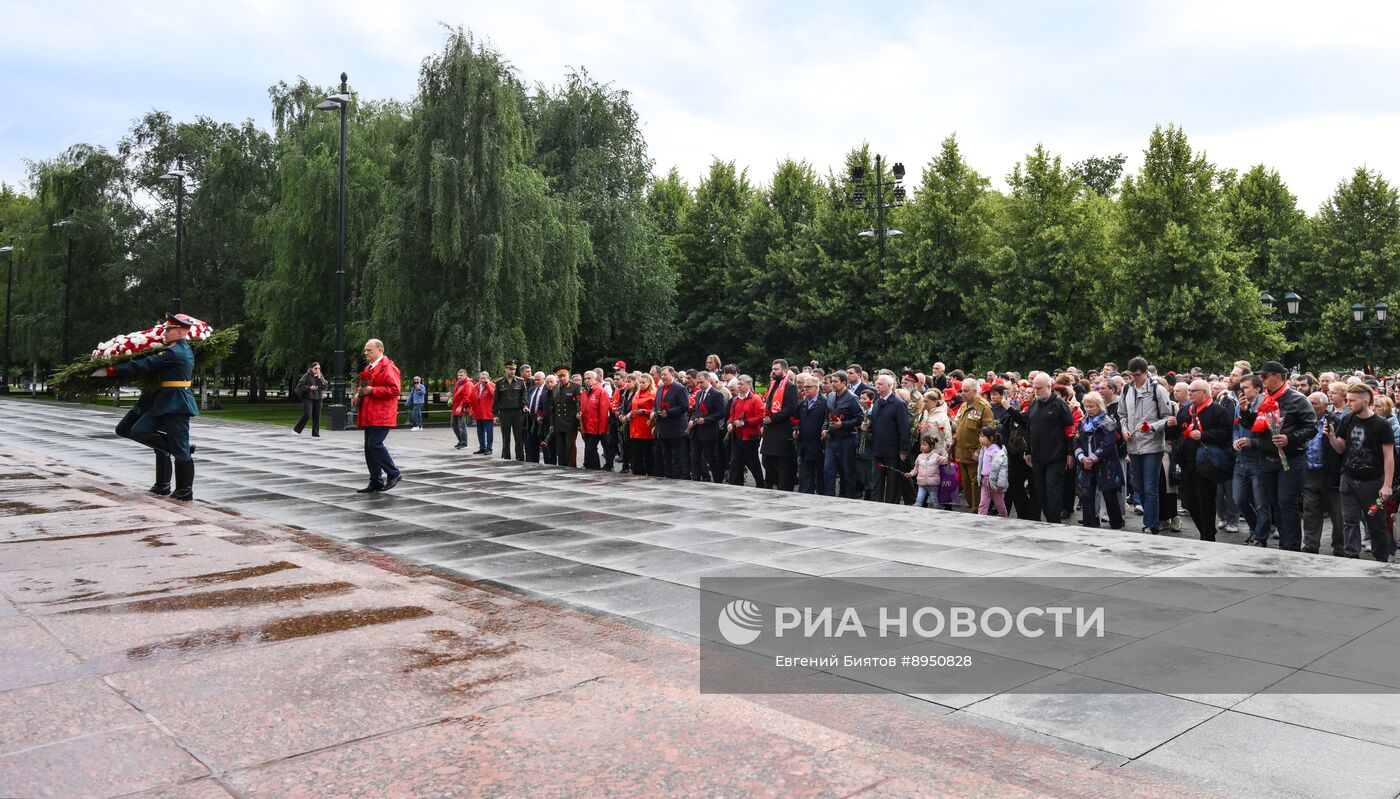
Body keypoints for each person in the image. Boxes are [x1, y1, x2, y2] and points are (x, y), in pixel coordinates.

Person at [101, 313, 201, 501]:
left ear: (179, 332)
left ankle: (184, 491)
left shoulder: (175, 352)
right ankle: (173, 467)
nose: (164, 332)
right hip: (162, 400)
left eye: (168, 330)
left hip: (176, 402)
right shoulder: (173, 348)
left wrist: (114, 370)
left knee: (152, 436)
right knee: (136, 430)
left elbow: (146, 364)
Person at [1238, 361, 1316, 550]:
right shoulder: (1261, 398)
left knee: (1286, 502)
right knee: (1274, 503)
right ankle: (1284, 544)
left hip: (1291, 458)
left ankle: (1291, 547)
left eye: (1264, 376)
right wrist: (1245, 413)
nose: (1261, 380)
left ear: (1278, 377)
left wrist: (1290, 438)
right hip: (1266, 458)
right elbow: (1253, 426)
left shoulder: (1297, 399)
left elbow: (1311, 427)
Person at [1326, 383, 1394, 560]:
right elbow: (1340, 449)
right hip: (1348, 478)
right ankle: (1351, 557)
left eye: (1352, 401)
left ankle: (1381, 560)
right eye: (1347, 400)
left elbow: (1389, 456)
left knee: (1375, 522)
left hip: (1372, 482)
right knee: (1349, 521)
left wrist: (1387, 485)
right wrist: (1332, 436)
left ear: (1365, 401)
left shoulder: (1381, 424)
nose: (1348, 403)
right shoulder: (1347, 420)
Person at [1171, 379, 1233, 542]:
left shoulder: (1217, 410)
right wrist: (1170, 426)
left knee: (1206, 501)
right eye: (1189, 390)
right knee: (1188, 501)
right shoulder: (1185, 411)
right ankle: (1205, 529)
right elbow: (1175, 434)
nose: (1190, 393)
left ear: (1204, 393)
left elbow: (1226, 434)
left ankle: (1207, 536)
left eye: (1193, 391)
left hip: (1206, 463)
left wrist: (1204, 435)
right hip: (1187, 462)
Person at [1120, 356, 1174, 534]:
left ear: (1145, 373)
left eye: (1137, 375)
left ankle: (1151, 525)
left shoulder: (1158, 390)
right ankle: (1149, 521)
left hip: (1152, 444)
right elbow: (1122, 414)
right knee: (1140, 486)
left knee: (1150, 487)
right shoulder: (1127, 389)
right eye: (1131, 375)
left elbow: (1168, 417)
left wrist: (1152, 427)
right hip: (1133, 444)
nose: (1134, 378)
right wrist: (1124, 429)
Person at [353, 338, 402, 493]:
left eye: (370, 350)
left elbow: (395, 390)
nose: (366, 352)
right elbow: (365, 387)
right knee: (369, 448)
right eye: (365, 350)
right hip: (370, 413)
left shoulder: (388, 367)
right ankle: (375, 481)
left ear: (380, 350)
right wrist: (358, 394)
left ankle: (394, 473)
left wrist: (372, 390)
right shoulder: (370, 367)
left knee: (374, 444)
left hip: (382, 414)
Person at [1025, 373, 1074, 524]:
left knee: (1053, 490)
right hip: (1038, 457)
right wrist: (1028, 451)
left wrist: (1070, 453)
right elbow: (1029, 429)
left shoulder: (1060, 405)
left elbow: (1070, 430)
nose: (1036, 391)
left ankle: (1054, 521)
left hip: (1056, 456)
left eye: (1039, 388)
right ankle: (1049, 519)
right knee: (1041, 491)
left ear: (1049, 387)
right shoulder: (1034, 404)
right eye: (1034, 388)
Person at [1302, 390, 1344, 556]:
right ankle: (1311, 545)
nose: (1310, 407)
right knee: (1311, 511)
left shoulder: (1336, 421)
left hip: (1330, 473)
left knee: (1338, 513)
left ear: (1326, 406)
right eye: (1308, 403)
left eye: (1314, 404)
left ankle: (1340, 547)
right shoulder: (1304, 421)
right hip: (1309, 472)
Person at [1074, 392, 1124, 529]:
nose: (1088, 409)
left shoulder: (1108, 422)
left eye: (1091, 406)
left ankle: (1117, 524)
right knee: (1087, 496)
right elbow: (1076, 442)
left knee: (1109, 495)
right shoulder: (1083, 422)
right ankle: (1089, 524)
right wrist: (1082, 458)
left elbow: (1109, 444)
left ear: (1099, 406)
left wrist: (1093, 458)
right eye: (1086, 406)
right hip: (1086, 464)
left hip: (1105, 464)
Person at [867, 374, 910, 504]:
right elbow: (875, 422)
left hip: (892, 450)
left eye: (880, 384)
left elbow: (904, 428)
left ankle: (892, 505)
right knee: (876, 480)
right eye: (876, 384)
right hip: (878, 448)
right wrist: (868, 426)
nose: (876, 386)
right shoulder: (877, 401)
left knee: (893, 482)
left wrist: (903, 450)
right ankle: (876, 504)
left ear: (889, 386)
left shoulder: (898, 404)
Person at [953, 378, 993, 512]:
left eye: (966, 391)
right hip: (961, 453)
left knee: (976, 484)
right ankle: (972, 507)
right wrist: (952, 443)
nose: (962, 393)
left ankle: (977, 510)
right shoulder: (964, 405)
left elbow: (988, 432)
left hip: (974, 454)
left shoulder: (984, 407)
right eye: (962, 391)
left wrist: (979, 451)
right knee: (966, 485)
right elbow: (960, 428)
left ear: (975, 391)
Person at [760, 359, 800, 491]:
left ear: (784, 371)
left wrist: (773, 418)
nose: (773, 371)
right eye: (772, 369)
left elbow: (791, 408)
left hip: (782, 431)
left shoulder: (790, 387)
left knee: (783, 465)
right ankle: (776, 484)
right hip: (770, 431)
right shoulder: (772, 385)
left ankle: (785, 490)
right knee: (766, 461)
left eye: (776, 369)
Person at [822, 372, 862, 498]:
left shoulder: (852, 398)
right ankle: (829, 497)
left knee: (847, 472)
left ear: (844, 383)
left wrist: (843, 424)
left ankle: (849, 498)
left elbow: (860, 418)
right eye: (832, 381)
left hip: (847, 439)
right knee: (828, 469)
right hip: (832, 439)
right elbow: (827, 416)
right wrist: (824, 428)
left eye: (836, 382)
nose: (833, 384)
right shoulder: (831, 396)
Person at [726, 375, 766, 486]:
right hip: (737, 436)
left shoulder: (755, 399)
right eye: (738, 384)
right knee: (735, 462)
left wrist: (744, 422)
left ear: (748, 384)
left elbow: (760, 417)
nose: (738, 386)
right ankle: (736, 484)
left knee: (752, 462)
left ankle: (760, 484)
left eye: (741, 384)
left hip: (750, 437)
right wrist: (729, 424)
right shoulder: (735, 400)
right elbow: (731, 416)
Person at [688, 371, 727, 482]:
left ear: (708, 379)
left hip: (709, 432)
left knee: (711, 458)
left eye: (702, 382)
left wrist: (705, 420)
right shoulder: (699, 393)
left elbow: (721, 413)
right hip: (696, 431)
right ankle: (696, 479)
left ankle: (717, 480)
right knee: (695, 458)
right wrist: (692, 420)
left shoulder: (716, 394)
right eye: (698, 382)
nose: (700, 384)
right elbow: (696, 411)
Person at [653, 366, 691, 479]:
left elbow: (685, 406)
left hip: (676, 429)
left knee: (677, 458)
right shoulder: (660, 389)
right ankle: (669, 477)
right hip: (663, 429)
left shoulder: (679, 388)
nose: (663, 377)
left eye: (665, 374)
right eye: (662, 375)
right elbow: (656, 405)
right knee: (666, 457)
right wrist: (653, 411)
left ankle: (678, 478)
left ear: (672, 375)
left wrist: (668, 412)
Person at [794, 373, 828, 493]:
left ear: (817, 387)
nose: (805, 389)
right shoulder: (803, 403)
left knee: (820, 476)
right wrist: (796, 429)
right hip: (804, 444)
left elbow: (826, 421)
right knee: (805, 475)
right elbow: (797, 420)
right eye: (805, 387)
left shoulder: (824, 402)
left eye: (809, 387)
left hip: (818, 445)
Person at [493, 361, 527, 460]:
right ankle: (506, 457)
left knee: (519, 437)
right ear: (505, 369)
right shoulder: (499, 382)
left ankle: (520, 458)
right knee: (505, 437)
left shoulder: (520, 381)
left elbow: (524, 396)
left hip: (517, 412)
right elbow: (496, 399)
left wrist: (525, 405)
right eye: (510, 369)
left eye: (514, 369)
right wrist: (495, 414)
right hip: (504, 413)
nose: (512, 371)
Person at [579, 369, 611, 469]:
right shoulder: (584, 392)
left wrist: (602, 429)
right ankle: (589, 466)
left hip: (596, 426)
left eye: (589, 378)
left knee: (591, 448)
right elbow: (583, 408)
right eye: (585, 379)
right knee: (588, 448)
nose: (586, 380)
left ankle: (596, 468)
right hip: (586, 426)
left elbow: (604, 412)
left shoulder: (601, 392)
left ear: (595, 379)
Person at [551, 366, 581, 468]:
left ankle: (571, 467)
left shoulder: (575, 387)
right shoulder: (555, 388)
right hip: (558, 422)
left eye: (564, 376)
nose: (562, 378)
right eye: (559, 376)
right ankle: (562, 467)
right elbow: (553, 408)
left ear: (568, 375)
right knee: (560, 448)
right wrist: (552, 424)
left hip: (570, 422)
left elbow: (579, 406)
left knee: (570, 448)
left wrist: (579, 424)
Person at [627, 372, 656, 476]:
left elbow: (655, 410)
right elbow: (634, 408)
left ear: (649, 383)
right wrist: (630, 414)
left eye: (644, 382)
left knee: (647, 453)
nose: (641, 384)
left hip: (646, 427)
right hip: (634, 426)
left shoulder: (653, 394)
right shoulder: (637, 394)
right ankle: (638, 472)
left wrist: (645, 411)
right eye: (640, 382)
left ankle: (650, 472)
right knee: (636, 453)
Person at [977, 426, 1009, 516]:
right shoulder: (984, 449)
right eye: (980, 436)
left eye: (982, 436)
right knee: (983, 503)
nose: (980, 439)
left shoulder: (997, 452)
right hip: (985, 481)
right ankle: (980, 519)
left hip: (995, 483)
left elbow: (1003, 469)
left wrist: (1000, 484)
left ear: (990, 438)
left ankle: (1004, 516)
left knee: (999, 504)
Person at [293, 362, 329, 436]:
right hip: (308, 398)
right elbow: (299, 387)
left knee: (317, 416)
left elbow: (325, 386)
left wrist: (319, 378)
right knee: (307, 415)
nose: (317, 370)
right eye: (315, 368)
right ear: (311, 369)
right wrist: (309, 387)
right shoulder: (306, 376)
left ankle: (315, 434)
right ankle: (296, 430)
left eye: (319, 368)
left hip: (318, 398)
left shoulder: (320, 376)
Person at [906, 436, 942, 508]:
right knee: (919, 499)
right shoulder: (919, 457)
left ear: (931, 446)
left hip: (932, 484)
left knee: (934, 499)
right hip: (922, 483)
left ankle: (937, 510)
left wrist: (948, 456)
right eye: (921, 445)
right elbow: (916, 469)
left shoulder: (936, 456)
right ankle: (916, 509)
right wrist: (910, 474)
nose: (922, 447)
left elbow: (944, 461)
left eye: (925, 445)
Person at [524, 371, 550, 463]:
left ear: (544, 379)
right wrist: (526, 406)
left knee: (544, 444)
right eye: (535, 380)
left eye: (538, 380)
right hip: (531, 420)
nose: (536, 382)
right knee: (532, 444)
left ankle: (548, 464)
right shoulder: (532, 389)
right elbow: (528, 401)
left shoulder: (547, 389)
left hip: (542, 421)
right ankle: (533, 463)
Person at [450, 369, 472, 450]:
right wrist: (451, 395)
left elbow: (468, 396)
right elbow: (458, 394)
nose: (459, 377)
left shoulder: (468, 384)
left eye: (461, 375)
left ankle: (464, 443)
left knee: (462, 426)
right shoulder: (458, 383)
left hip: (462, 408)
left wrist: (461, 406)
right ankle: (460, 441)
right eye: (458, 375)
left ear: (466, 375)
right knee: (454, 425)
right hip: (455, 408)